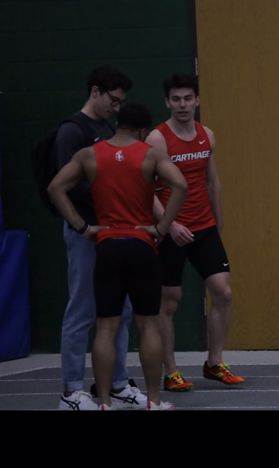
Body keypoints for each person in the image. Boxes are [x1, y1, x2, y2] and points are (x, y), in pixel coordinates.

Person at [48, 102, 188, 411]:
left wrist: (82, 227)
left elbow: (55, 187)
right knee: (148, 325)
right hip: (141, 245)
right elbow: (180, 184)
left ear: (118, 123)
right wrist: (162, 227)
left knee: (106, 326)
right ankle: (153, 401)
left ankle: (104, 402)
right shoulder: (150, 155)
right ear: (142, 131)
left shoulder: (89, 154)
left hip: (107, 245)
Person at [56, 65, 150, 412]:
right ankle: (71, 390)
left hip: (112, 232)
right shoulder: (72, 130)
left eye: (121, 102)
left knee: (120, 309)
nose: (116, 106)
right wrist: (82, 227)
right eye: (113, 99)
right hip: (87, 232)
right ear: (95, 91)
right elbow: (63, 185)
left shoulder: (108, 128)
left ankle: (118, 384)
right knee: (82, 309)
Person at [145, 74, 245, 389]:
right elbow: (144, 189)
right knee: (170, 301)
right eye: (176, 99)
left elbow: (212, 181)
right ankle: (171, 372)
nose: (182, 105)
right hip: (170, 231)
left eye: (188, 98)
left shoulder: (206, 135)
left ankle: (214, 362)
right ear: (167, 102)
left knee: (223, 292)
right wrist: (169, 224)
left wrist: (218, 221)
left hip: (204, 227)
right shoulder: (157, 139)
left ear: (197, 100)